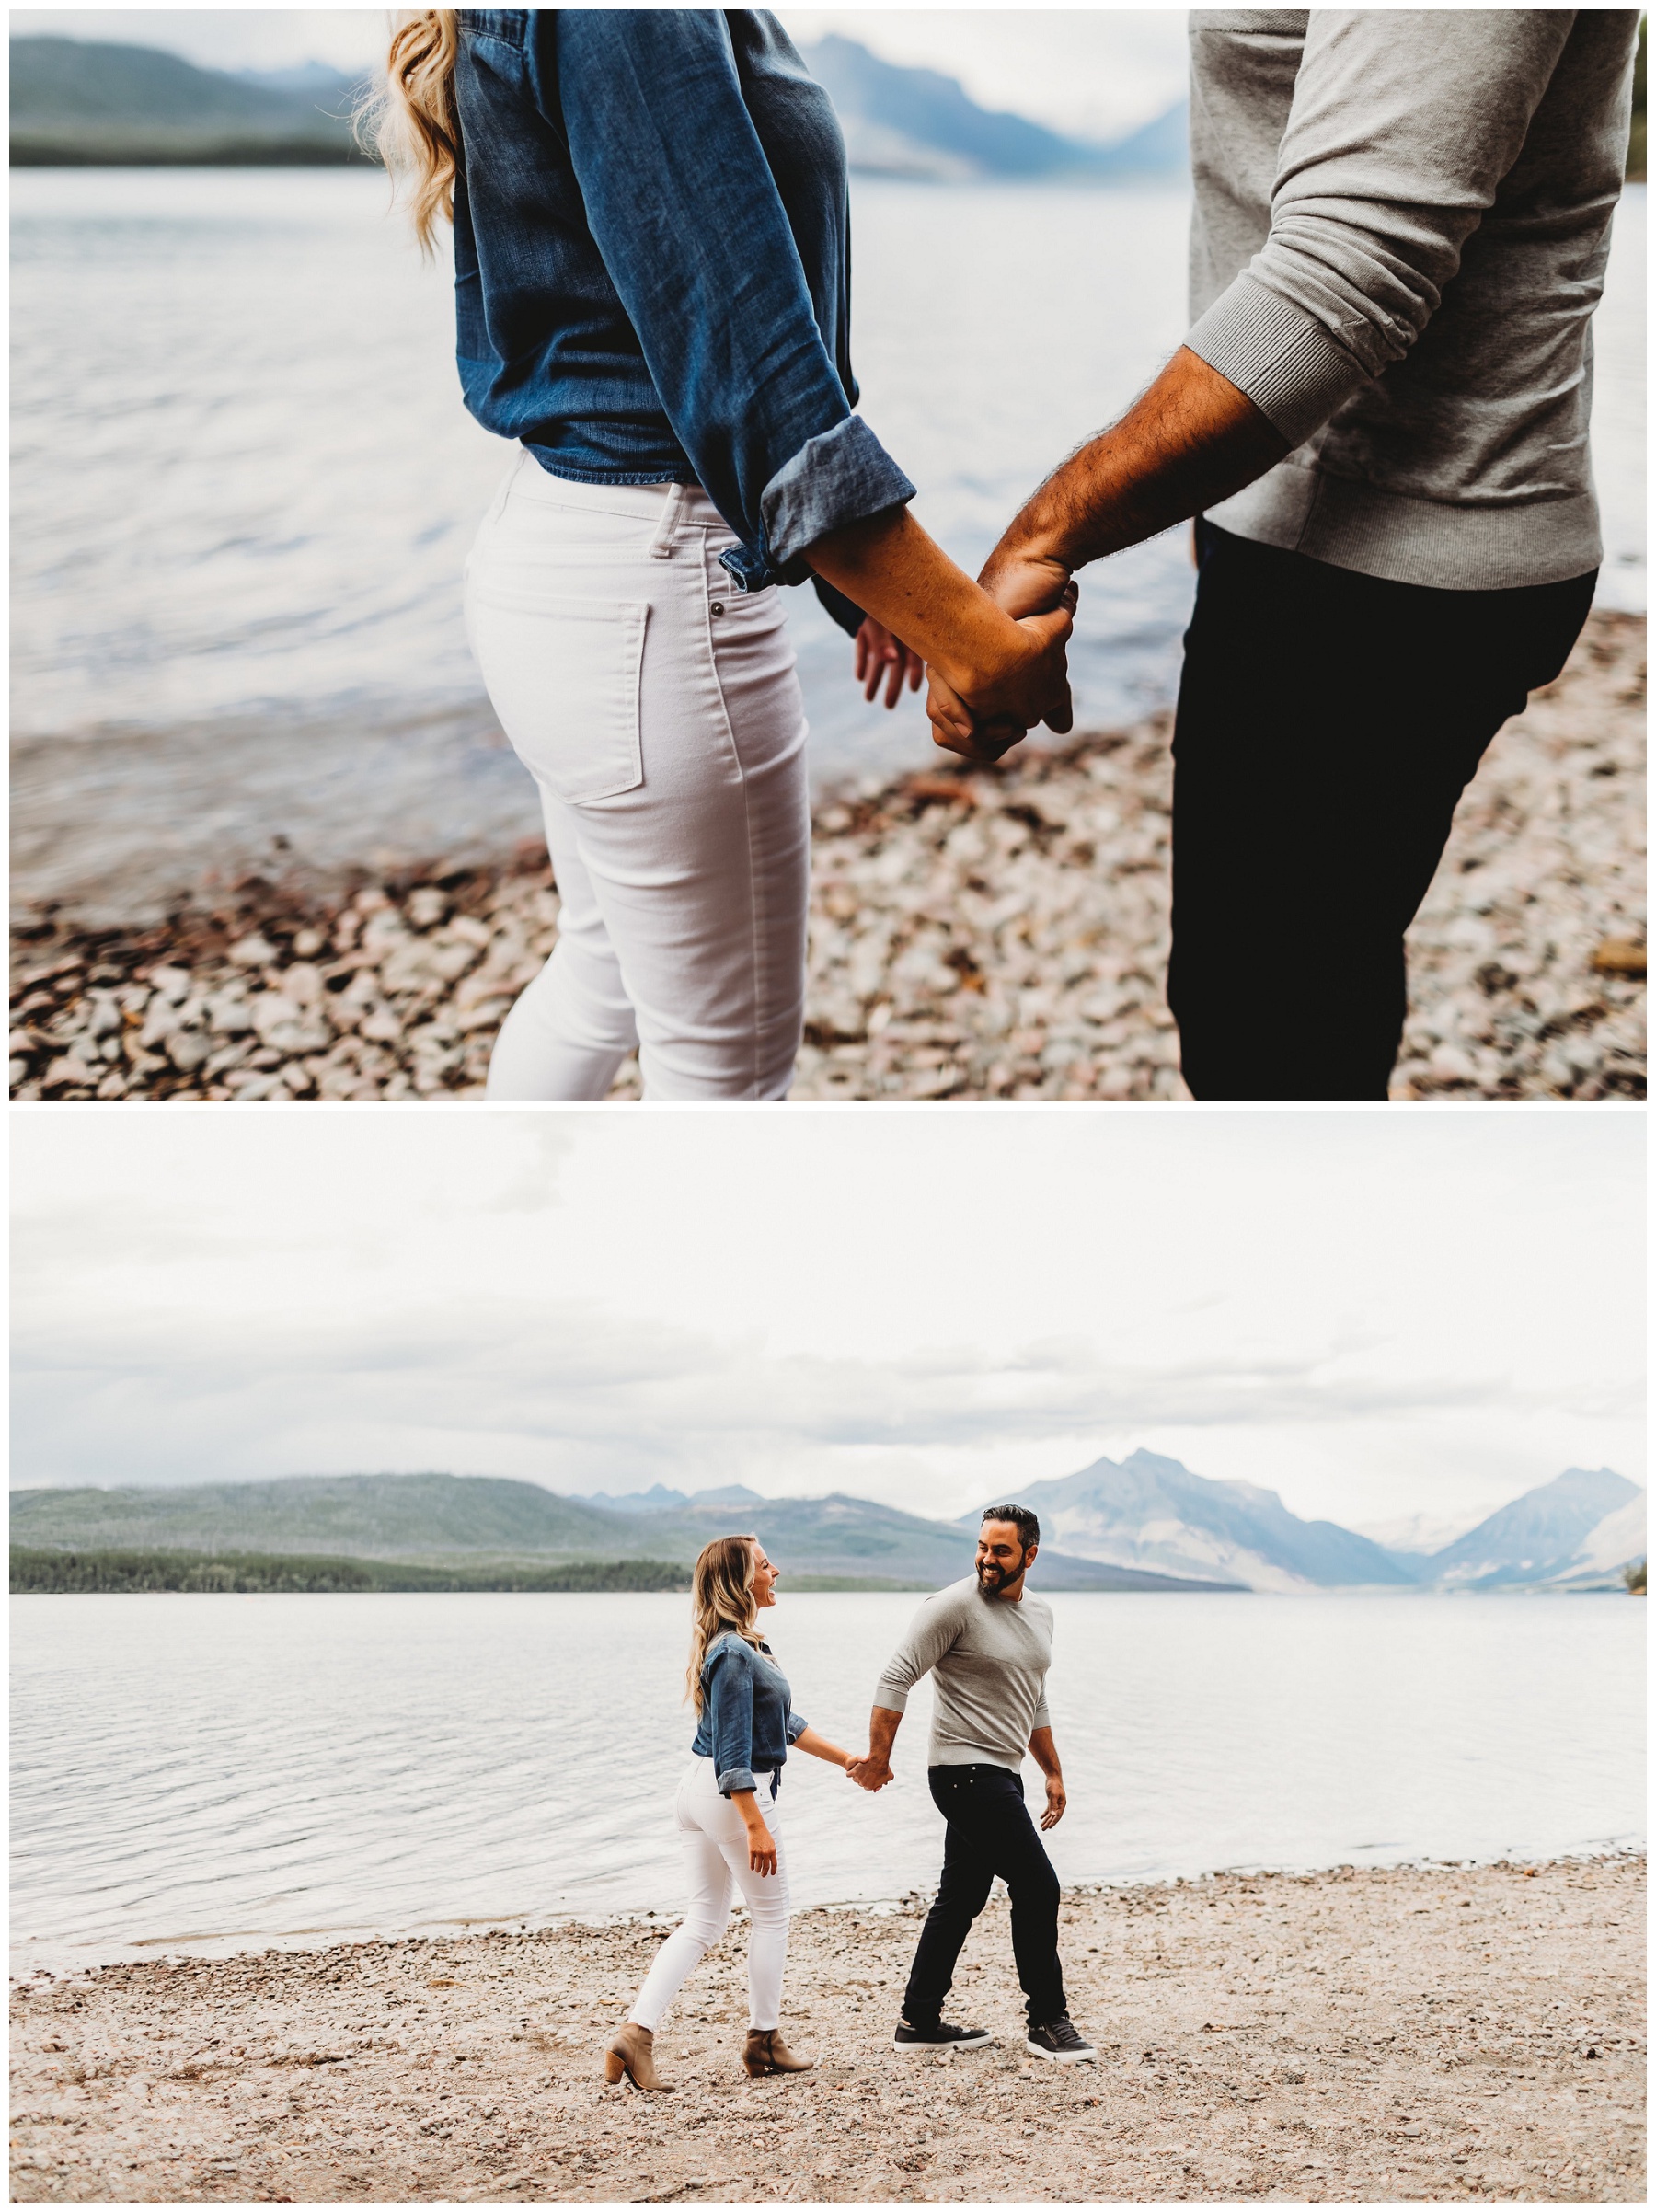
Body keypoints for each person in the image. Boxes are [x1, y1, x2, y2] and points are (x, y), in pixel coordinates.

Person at [928, 10, 1641, 1103]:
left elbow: (1346, 272)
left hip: (1394, 560)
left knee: (1263, 1027)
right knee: (1305, 980)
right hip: (1314, 523)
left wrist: (1041, 536)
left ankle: (1304, 1261)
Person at [373, 10, 1072, 1103]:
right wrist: (970, 639)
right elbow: (749, 367)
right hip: (655, 590)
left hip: (577, 567)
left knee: (599, 974)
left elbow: (742, 341)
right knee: (729, 1085)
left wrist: (866, 584)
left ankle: (505, 1244)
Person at [603, 1534, 857, 2091]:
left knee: (704, 1919)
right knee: (770, 1915)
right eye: (767, 1565)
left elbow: (782, 1724)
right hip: (728, 1794)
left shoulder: (737, 1646)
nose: (777, 1571)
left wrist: (846, 1760)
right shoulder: (735, 1654)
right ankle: (763, 2040)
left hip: (695, 1792)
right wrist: (755, 1824)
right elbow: (735, 1755)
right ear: (743, 1581)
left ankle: (636, 2035)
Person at [850, 1506, 1097, 2063]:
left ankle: (918, 2020)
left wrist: (1053, 1771)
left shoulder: (1040, 1614)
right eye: (983, 1546)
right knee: (1038, 1886)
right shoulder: (953, 1606)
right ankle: (1047, 2021)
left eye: (1001, 1550)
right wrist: (879, 1758)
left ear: (1030, 1555)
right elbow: (896, 1676)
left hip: (1001, 1772)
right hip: (961, 1772)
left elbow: (1032, 1696)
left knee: (961, 1897)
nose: (988, 1559)